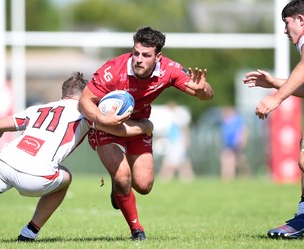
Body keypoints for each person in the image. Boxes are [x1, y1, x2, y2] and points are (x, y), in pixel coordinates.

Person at [0, 72, 153, 242]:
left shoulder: (39, 108)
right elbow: (123, 131)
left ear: (62, 95)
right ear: (87, 98)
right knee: (65, 178)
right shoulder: (87, 112)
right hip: (35, 175)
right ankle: (29, 233)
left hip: (4, 163)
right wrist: (147, 125)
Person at [78, 26, 214, 240]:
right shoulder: (113, 70)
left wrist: (202, 90)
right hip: (106, 125)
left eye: (146, 55)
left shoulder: (169, 69)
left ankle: (118, 189)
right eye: (136, 53)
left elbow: (206, 95)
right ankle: (137, 230)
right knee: (123, 177)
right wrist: (103, 119)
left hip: (138, 126)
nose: (138, 59)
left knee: (143, 185)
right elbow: (84, 101)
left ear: (158, 57)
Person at [243, 0, 304, 239]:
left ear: (300, 20)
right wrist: (275, 83)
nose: (285, 30)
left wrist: (276, 98)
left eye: (287, 22)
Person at [157, 101, 194, 182]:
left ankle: (167, 177)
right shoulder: (168, 118)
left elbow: (185, 129)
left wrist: (187, 141)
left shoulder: (179, 117)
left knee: (176, 160)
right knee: (177, 160)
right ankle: (184, 176)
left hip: (178, 142)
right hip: (171, 142)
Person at [219, 106, 250, 181]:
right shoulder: (225, 121)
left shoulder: (237, 120)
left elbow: (243, 130)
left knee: (240, 161)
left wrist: (242, 140)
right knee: (227, 160)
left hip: (237, 143)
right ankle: (227, 177)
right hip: (228, 145)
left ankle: (245, 175)